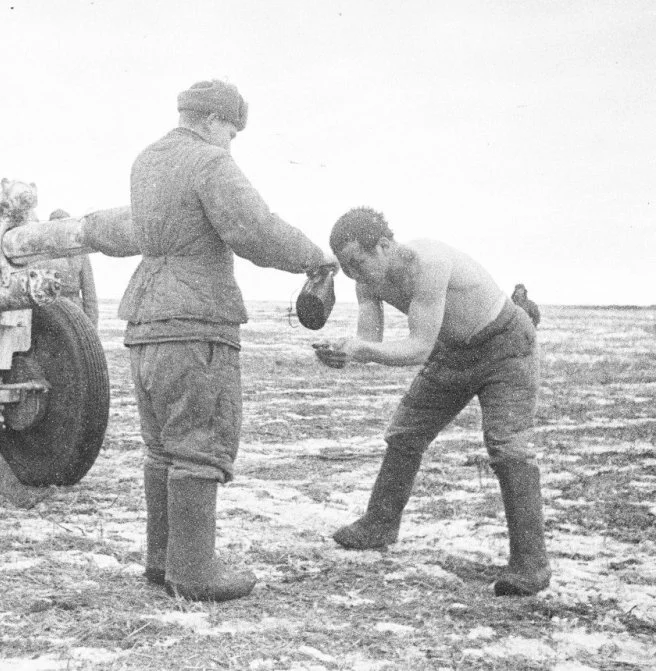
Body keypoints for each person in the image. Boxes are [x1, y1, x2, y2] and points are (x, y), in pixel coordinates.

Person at [85, 79, 339, 602]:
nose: (232, 141)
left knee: (162, 448)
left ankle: (163, 563)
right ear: (211, 120)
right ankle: (195, 573)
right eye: (231, 129)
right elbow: (253, 229)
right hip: (195, 321)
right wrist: (313, 257)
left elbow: (139, 229)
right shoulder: (210, 162)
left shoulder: (146, 161)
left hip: (146, 323)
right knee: (200, 445)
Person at [314, 207, 549, 597]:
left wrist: (362, 351)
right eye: (347, 267)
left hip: (505, 346)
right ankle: (380, 525)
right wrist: (345, 352)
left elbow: (419, 347)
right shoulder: (366, 278)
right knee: (405, 433)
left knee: (508, 448)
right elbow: (371, 338)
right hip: (452, 352)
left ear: (385, 246)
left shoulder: (429, 263)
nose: (355, 274)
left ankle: (531, 564)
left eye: (358, 262)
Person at [47, 209, 99, 328]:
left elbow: (89, 294)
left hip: (75, 312)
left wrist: (92, 327)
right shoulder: (41, 254)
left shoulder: (80, 254)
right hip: (49, 312)